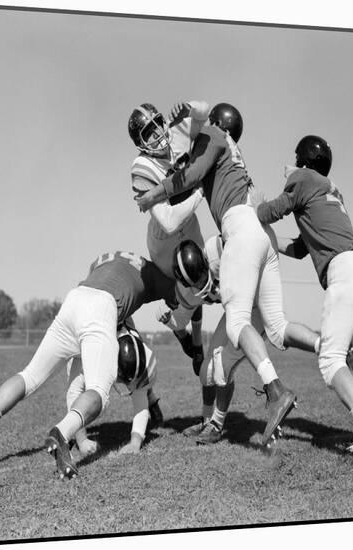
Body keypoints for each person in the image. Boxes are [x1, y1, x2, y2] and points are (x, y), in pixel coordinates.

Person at [136, 103, 311, 445]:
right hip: (262, 235)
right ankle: (331, 348)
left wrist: (153, 194)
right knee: (276, 326)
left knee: (236, 323)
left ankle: (275, 390)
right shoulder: (232, 151)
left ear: (216, 125)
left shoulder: (214, 136)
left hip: (241, 231)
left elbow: (187, 176)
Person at [0, 250, 177, 479]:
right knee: (98, 392)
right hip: (102, 309)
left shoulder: (109, 259)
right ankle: (61, 433)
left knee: (29, 376)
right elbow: (181, 301)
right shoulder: (162, 280)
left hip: (75, 300)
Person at [250, 135, 353, 464]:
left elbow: (270, 211)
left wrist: (257, 203)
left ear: (302, 161)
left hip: (345, 273)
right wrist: (274, 242)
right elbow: (301, 248)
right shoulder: (328, 187)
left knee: (330, 361)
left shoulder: (302, 178)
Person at [160, 236, 319, 446]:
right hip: (235, 309)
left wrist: (290, 246)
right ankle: (206, 420)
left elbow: (255, 235)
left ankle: (216, 425)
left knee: (222, 366)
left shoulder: (223, 248)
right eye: (194, 283)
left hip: (256, 306)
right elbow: (181, 319)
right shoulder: (186, 289)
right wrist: (169, 319)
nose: (200, 285)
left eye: (200, 277)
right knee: (206, 371)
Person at [128, 100, 211, 427]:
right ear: (140, 142)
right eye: (149, 131)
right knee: (181, 289)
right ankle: (182, 329)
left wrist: (191, 108)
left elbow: (206, 113)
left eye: (158, 123)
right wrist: (201, 190)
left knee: (200, 287)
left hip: (190, 225)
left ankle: (195, 341)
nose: (158, 133)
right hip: (166, 236)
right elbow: (170, 220)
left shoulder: (175, 135)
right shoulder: (142, 167)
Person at [67, 321, 158, 456]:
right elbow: (74, 392)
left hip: (119, 325)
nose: (123, 384)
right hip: (88, 333)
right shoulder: (89, 354)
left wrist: (135, 442)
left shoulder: (147, 360)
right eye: (121, 379)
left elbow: (140, 404)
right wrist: (82, 440)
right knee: (85, 393)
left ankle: (151, 398)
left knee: (142, 388)